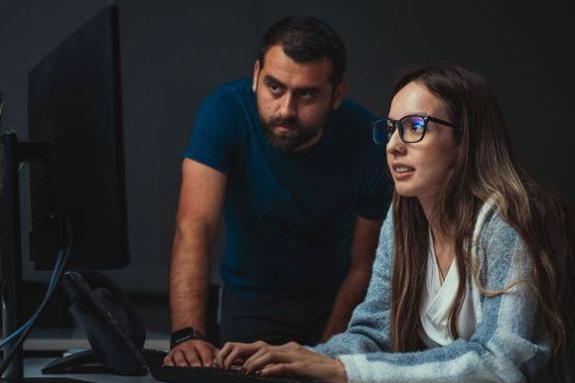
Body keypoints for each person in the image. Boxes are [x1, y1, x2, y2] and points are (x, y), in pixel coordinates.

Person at [213, 66, 575, 382]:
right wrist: (302, 358)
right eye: (390, 129)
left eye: (415, 126)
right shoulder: (404, 216)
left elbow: (501, 364)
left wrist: (346, 372)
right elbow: (373, 332)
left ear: (465, 141)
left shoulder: (510, 219)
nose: (393, 146)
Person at [164, 17, 391, 368]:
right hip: (249, 300)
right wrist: (187, 334)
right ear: (256, 75)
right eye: (274, 87)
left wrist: (328, 352)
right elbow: (194, 225)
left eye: (307, 95)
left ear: (337, 94)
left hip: (333, 304)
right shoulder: (225, 111)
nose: (286, 110)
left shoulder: (369, 143)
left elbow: (364, 266)